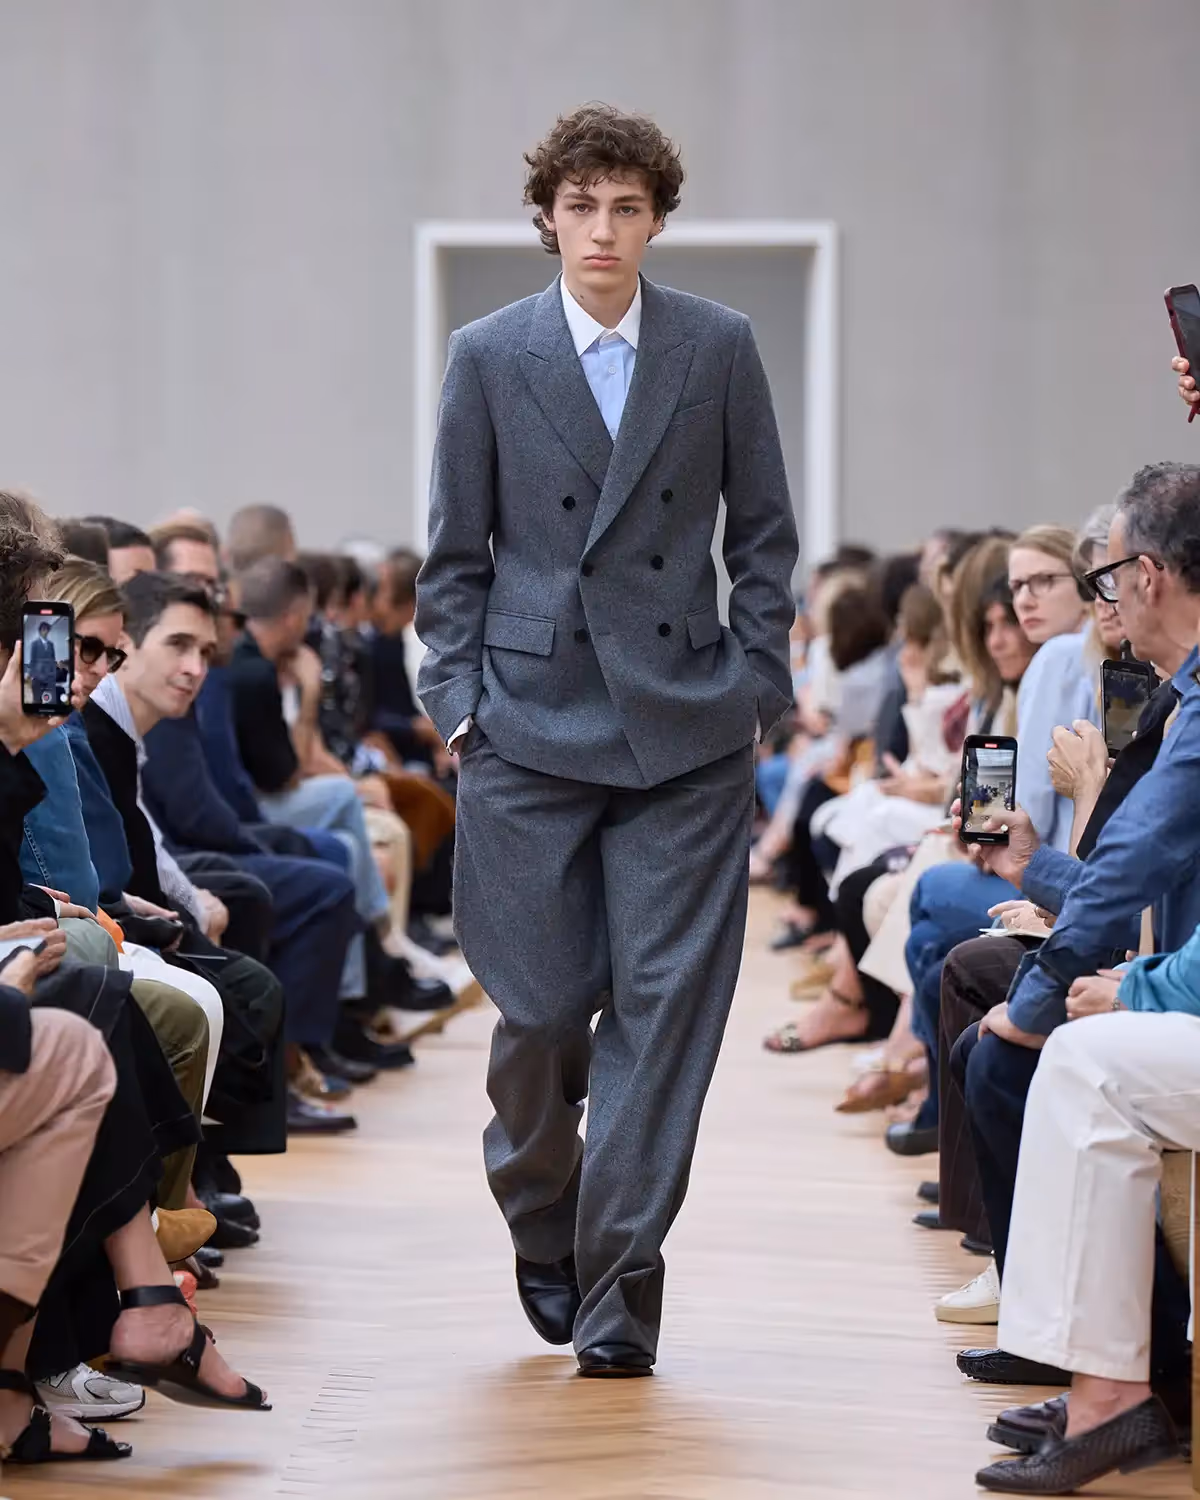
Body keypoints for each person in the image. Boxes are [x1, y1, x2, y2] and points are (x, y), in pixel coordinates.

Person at [415, 102, 798, 1376]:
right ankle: (545, 1212)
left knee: (660, 1020)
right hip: (525, 725)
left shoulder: (718, 344)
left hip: (687, 728)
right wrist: (458, 705)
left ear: (657, 221)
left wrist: (756, 685)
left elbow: (764, 537)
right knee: (536, 1016)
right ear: (547, 217)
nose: (602, 229)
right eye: (581, 206)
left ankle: (621, 1285)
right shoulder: (487, 354)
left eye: (627, 207)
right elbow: (452, 555)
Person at [26, 622, 58, 710]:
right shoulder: (34, 644)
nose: (45, 632)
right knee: (37, 699)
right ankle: (36, 714)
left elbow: (53, 659)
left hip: (50, 676)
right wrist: (32, 675)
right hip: (38, 675)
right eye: (43, 629)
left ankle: (51, 715)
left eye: (47, 630)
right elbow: (32, 660)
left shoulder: (51, 644)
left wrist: (54, 673)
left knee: (52, 700)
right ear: (40, 631)